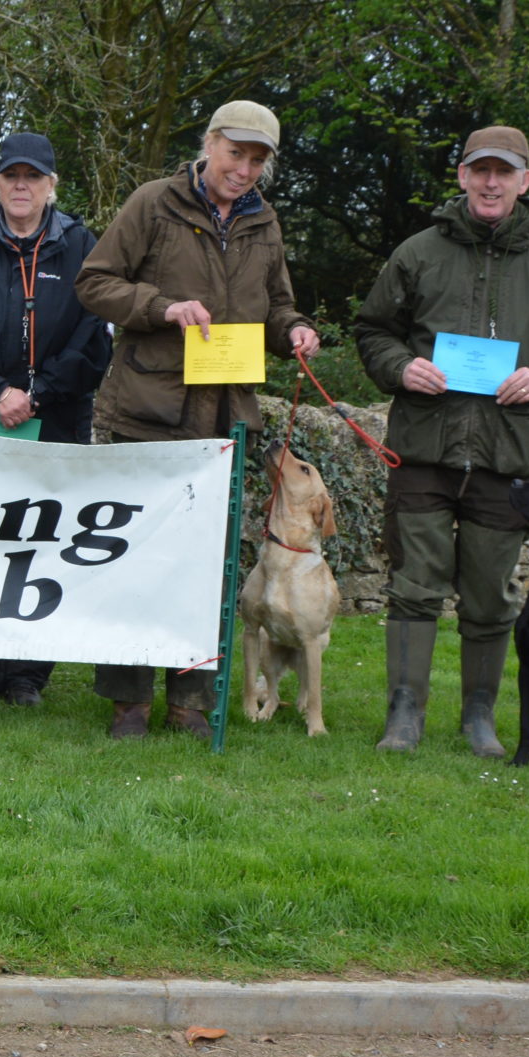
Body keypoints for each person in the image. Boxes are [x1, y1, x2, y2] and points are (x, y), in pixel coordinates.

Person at [352, 125, 529, 755]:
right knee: (414, 586)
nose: (491, 183)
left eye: (505, 172)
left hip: (506, 454)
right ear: (462, 176)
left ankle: (479, 717)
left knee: (491, 593)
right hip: (423, 449)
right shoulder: (418, 252)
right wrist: (399, 367)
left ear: (525, 182)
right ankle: (404, 714)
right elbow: (374, 330)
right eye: (480, 170)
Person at [76, 99, 319, 738]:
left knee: (208, 568)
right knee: (132, 559)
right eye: (236, 153)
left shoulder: (265, 223)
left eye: (257, 159)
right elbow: (94, 282)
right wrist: (161, 307)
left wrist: (293, 329)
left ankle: (191, 700)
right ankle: (127, 700)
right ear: (209, 144)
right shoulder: (152, 203)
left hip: (226, 420)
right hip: (148, 414)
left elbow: (278, 305)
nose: (244, 169)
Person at [0, 132, 113, 706]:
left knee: (45, 542)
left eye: (32, 177)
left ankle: (29, 673)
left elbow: (95, 338)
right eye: (11, 176)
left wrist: (40, 394)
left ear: (51, 186)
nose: (20, 186)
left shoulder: (85, 247)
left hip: (56, 418)